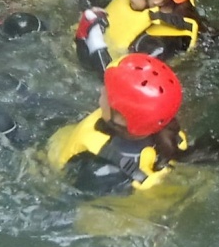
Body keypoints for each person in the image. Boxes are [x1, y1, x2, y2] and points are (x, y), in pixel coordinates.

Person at [45, 53, 193, 195]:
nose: (101, 89)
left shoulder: (97, 169)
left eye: (107, 91)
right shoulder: (171, 134)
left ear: (121, 119)